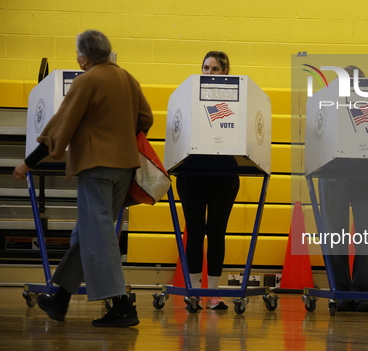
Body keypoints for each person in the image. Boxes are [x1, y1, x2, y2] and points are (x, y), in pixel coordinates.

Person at [12, 30, 153, 327]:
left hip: (96, 168)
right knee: (88, 232)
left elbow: (60, 124)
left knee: (98, 235)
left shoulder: (86, 80)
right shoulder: (127, 78)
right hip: (124, 169)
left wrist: (29, 162)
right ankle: (60, 299)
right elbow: (146, 119)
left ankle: (123, 305)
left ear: (83, 58)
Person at [318, 66, 368, 313]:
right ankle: (342, 292)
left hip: (366, 172)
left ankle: (363, 293)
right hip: (334, 172)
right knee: (335, 235)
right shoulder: (328, 105)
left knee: (366, 235)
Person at [175, 50, 239, 310]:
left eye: (215, 69)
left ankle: (213, 294)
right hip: (193, 172)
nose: (209, 73)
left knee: (216, 232)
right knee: (195, 231)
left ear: (225, 72)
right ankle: (193, 291)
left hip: (224, 172)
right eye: (206, 68)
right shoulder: (189, 95)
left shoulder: (237, 100)